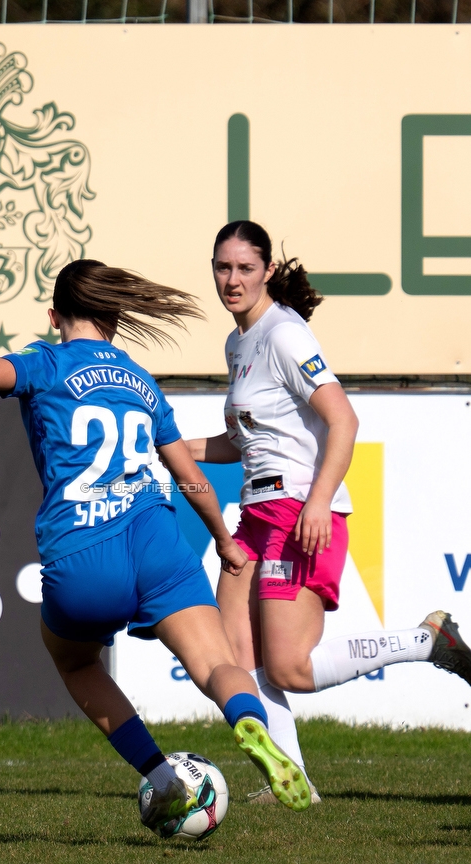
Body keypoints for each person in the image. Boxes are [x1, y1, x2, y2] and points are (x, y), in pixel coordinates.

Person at [0, 259, 315, 833]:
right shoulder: (141, 381)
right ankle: (247, 720)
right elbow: (191, 478)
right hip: (157, 539)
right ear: (113, 319)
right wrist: (225, 542)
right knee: (217, 664)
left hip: (83, 550)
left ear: (54, 315)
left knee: (76, 659)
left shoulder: (46, 364)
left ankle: (162, 779)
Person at [186, 220, 471, 804]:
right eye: (222, 267)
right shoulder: (238, 341)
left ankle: (427, 640)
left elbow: (345, 420)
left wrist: (318, 503)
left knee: (289, 669)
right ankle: (294, 785)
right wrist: (169, 448)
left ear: (267, 271)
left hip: (296, 511)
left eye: (244, 268)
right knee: (240, 658)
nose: (232, 280)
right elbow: (241, 442)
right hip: (257, 513)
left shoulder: (284, 335)